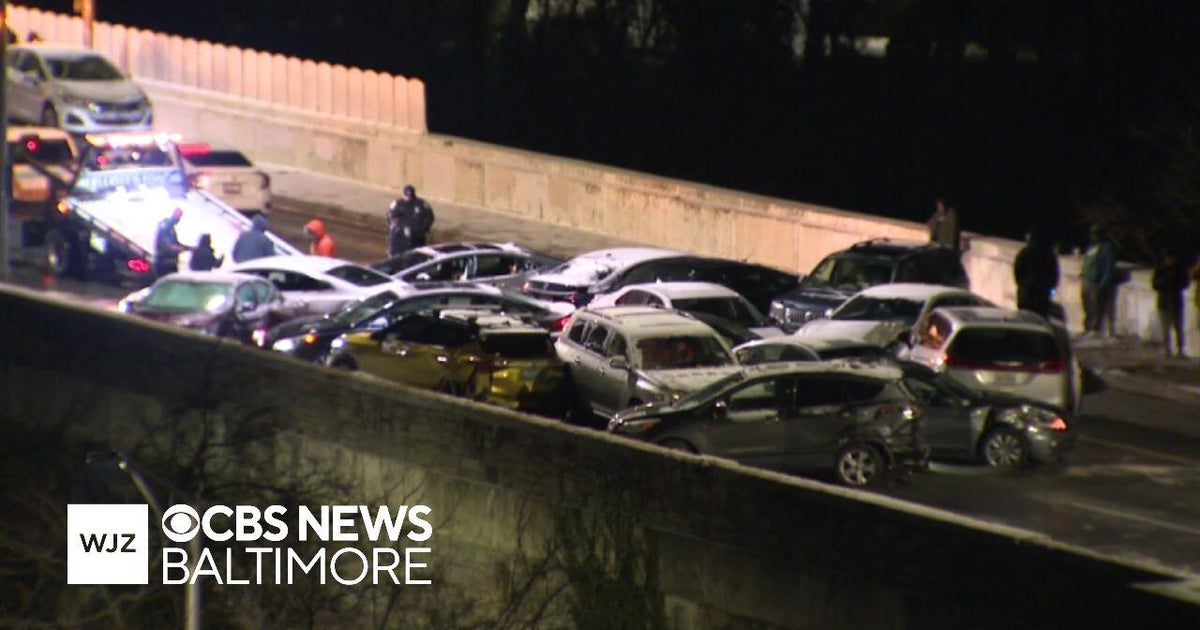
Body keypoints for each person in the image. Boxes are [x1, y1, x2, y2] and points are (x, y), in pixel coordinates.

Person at [1012, 225, 1059, 319]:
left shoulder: (1025, 252)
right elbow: (1054, 275)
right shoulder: (1049, 254)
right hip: (1042, 294)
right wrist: (1051, 289)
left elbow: (1018, 271)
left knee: (1024, 318)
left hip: (1027, 292)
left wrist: (1022, 286)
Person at [1079, 224, 1117, 337]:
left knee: (1095, 306)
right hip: (1087, 279)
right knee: (1086, 305)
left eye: (1095, 234)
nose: (1092, 236)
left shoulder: (1107, 248)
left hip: (1096, 282)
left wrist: (1103, 283)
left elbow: (1108, 267)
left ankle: (1095, 329)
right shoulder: (1092, 247)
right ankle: (1087, 327)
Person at [1151, 250, 1190, 358]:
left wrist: (1174, 282)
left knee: (1178, 327)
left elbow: (1186, 283)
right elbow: (1154, 284)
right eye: (1168, 259)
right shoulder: (1161, 270)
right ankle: (1167, 349)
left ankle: (1180, 349)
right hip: (1164, 303)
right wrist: (1165, 281)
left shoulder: (1180, 270)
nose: (1169, 261)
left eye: (1171, 259)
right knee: (1165, 328)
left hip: (1176, 302)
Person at [386, 185, 435, 256]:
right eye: (407, 196)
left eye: (410, 196)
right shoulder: (397, 204)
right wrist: (392, 225)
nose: (408, 198)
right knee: (397, 256)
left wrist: (423, 229)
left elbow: (429, 217)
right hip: (399, 237)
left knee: (416, 256)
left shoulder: (421, 204)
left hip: (416, 237)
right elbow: (389, 215)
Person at [153, 208, 193, 278]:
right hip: (164, 263)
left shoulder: (171, 228)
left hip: (170, 264)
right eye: (178, 217)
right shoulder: (165, 226)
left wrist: (189, 248)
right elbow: (169, 246)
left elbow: (176, 243)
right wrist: (181, 249)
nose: (178, 220)